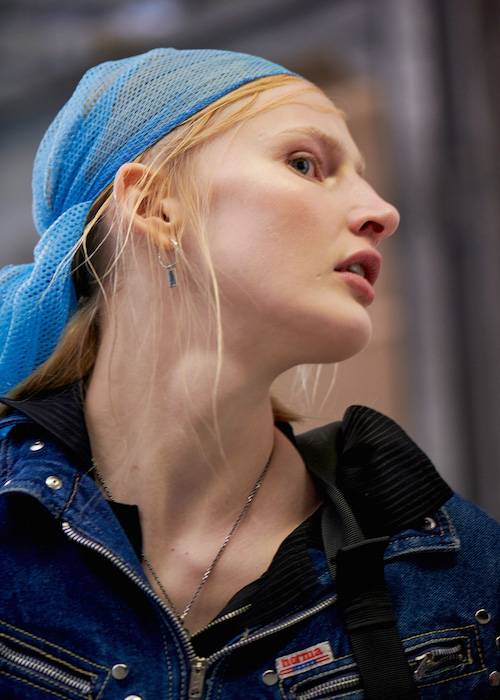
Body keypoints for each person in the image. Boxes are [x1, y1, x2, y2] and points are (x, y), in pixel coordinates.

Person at [0, 48, 498, 700]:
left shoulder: (455, 572)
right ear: (153, 206)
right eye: (305, 163)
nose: (383, 211)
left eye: (362, 176)